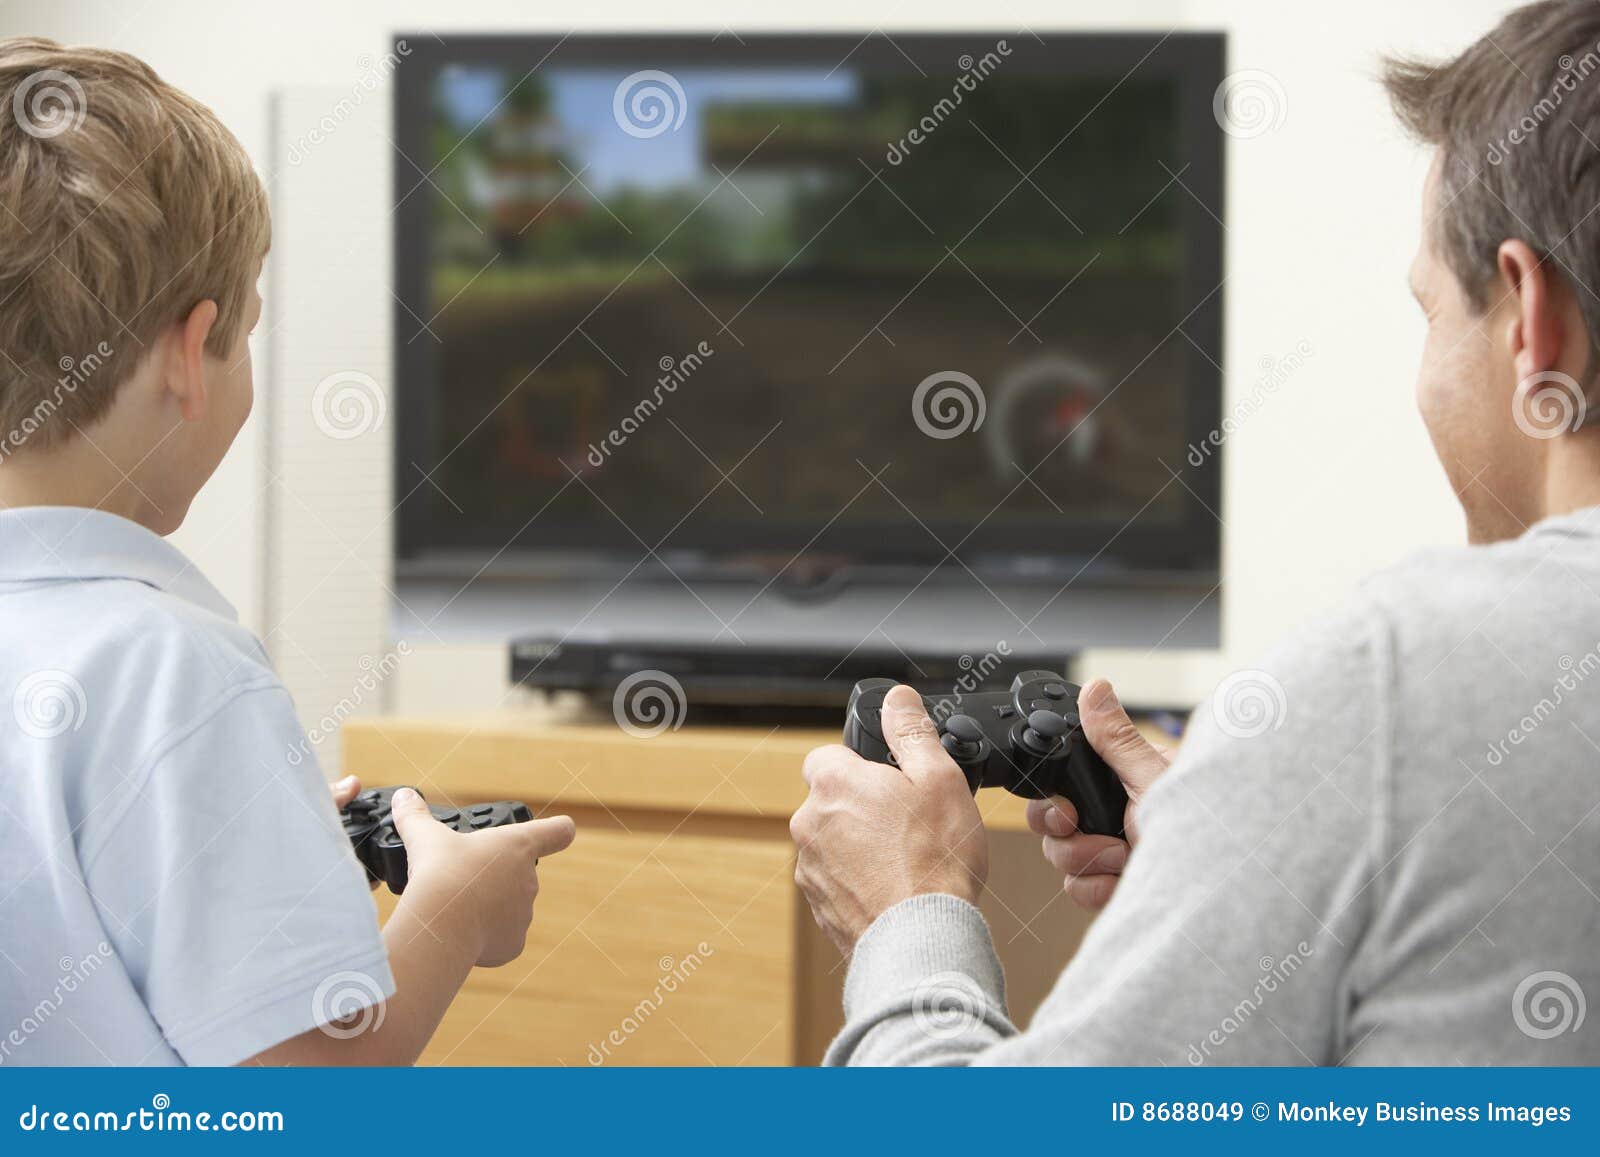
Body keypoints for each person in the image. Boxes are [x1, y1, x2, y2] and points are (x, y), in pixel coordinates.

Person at [791, 0, 1600, 1065]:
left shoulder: (1400, 680)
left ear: (1526, 315)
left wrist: (907, 915)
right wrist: (1254, 851)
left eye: (1430, 313)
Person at [0, 38, 575, 1066]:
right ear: (192, 353)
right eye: (249, 329)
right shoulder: (170, 670)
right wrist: (452, 909)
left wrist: (252, 856)